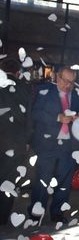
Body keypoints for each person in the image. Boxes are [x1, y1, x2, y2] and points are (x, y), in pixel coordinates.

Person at [30, 66, 79, 223]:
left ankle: (57, 213)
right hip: (47, 144)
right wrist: (57, 118)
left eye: (72, 82)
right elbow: (35, 113)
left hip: (69, 145)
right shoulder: (44, 91)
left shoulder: (76, 96)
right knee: (43, 180)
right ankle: (36, 213)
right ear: (57, 77)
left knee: (64, 183)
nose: (68, 85)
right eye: (65, 81)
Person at [0, 58, 32, 225]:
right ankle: (2, 216)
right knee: (8, 180)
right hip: (16, 141)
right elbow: (30, 117)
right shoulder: (25, 88)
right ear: (18, 72)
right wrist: (27, 141)